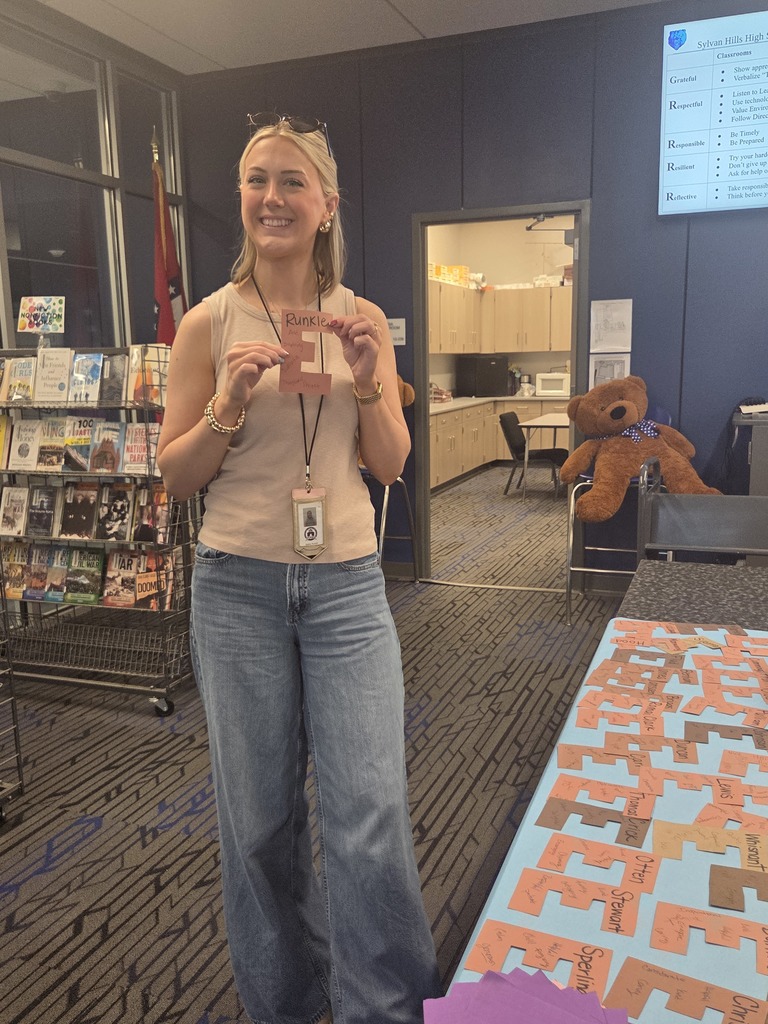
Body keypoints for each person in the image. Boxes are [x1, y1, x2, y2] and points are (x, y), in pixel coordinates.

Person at [157, 113, 441, 1024]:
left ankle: (384, 1008)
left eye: (290, 182)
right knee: (261, 827)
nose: (270, 198)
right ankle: (285, 1005)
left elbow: (391, 464)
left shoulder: (360, 319)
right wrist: (231, 404)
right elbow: (176, 474)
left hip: (349, 589)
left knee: (370, 815)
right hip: (237, 587)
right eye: (255, 180)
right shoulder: (208, 323)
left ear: (326, 206)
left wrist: (367, 381)